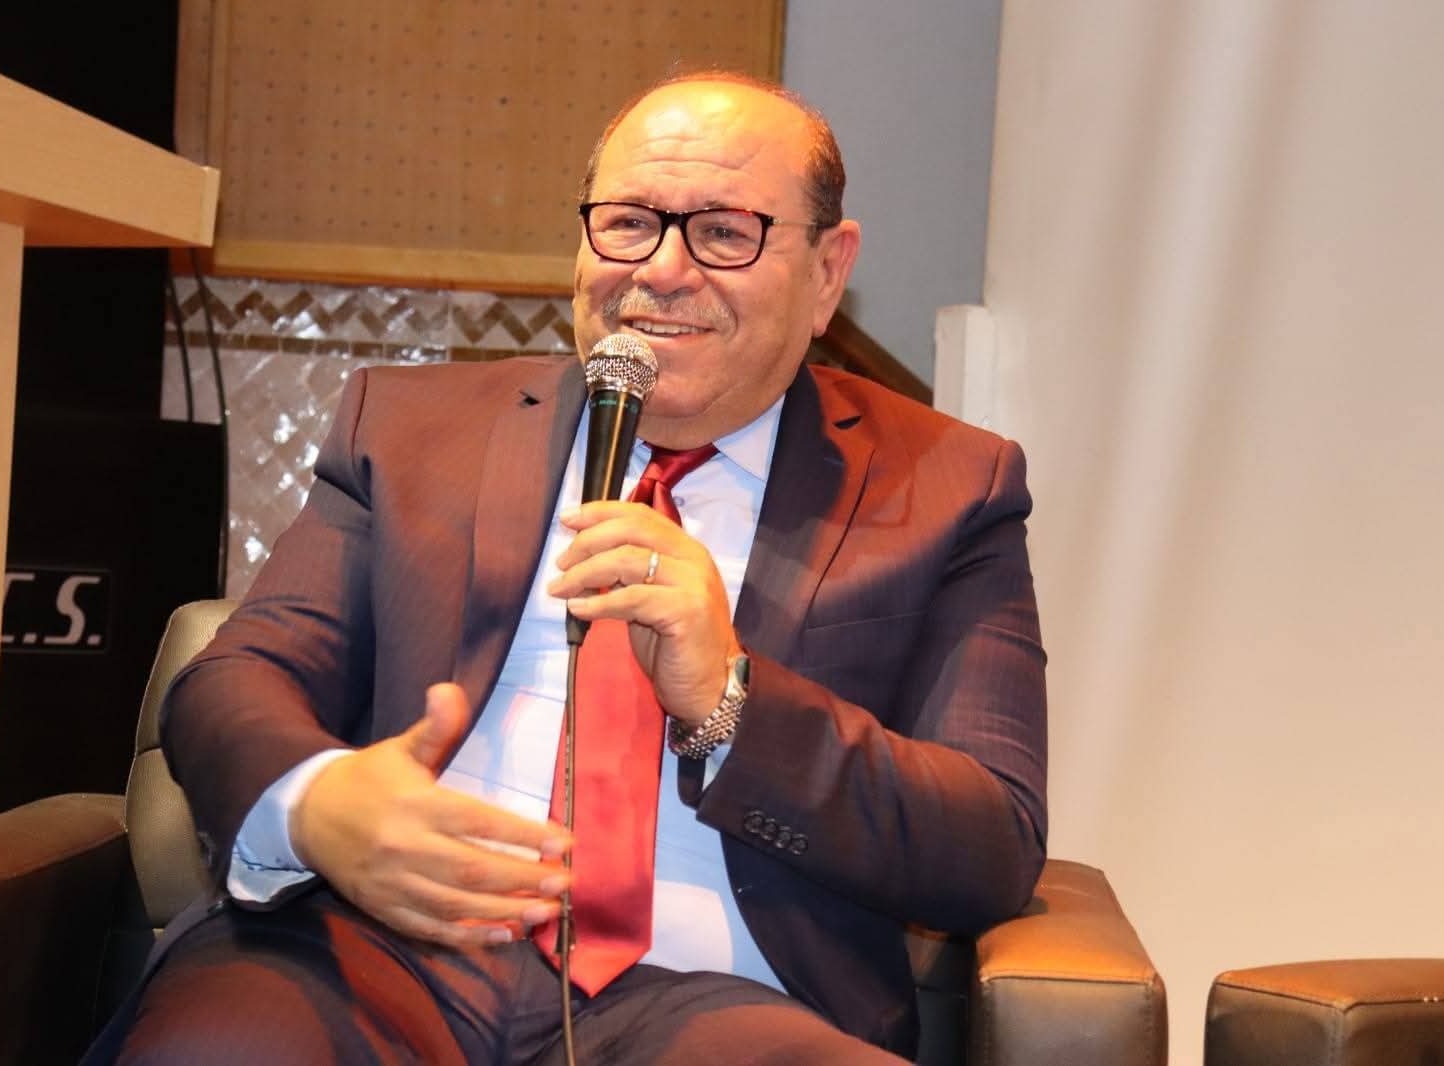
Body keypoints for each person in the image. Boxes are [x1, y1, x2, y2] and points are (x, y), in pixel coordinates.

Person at [104, 72, 1047, 1065]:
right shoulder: (410, 428)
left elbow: (990, 841)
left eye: (724, 232)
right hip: (373, 954)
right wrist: (321, 802)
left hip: (724, 1004)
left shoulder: (950, 485)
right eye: (629, 222)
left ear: (826, 271)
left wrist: (730, 700)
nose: (662, 271)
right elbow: (236, 679)